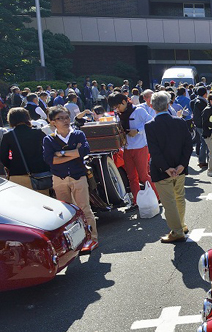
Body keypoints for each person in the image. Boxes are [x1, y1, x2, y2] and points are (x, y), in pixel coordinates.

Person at [42, 106, 98, 252]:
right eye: (60, 118)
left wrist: (60, 153)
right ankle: (73, 242)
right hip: (59, 178)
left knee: (84, 208)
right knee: (66, 213)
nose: (65, 121)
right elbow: (50, 160)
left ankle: (92, 238)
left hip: (78, 176)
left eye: (66, 117)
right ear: (52, 122)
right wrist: (73, 153)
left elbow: (84, 151)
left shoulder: (78, 134)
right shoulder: (49, 139)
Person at [144, 92, 193, 243]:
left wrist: (166, 168)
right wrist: (182, 164)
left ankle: (177, 231)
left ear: (152, 106)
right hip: (179, 167)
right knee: (179, 197)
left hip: (161, 169)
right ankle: (181, 225)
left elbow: (154, 151)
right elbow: (188, 145)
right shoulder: (180, 122)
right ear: (168, 105)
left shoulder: (150, 125)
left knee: (169, 201)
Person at [109, 93, 156, 206]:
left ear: (124, 102)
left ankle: (156, 197)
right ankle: (136, 201)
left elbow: (152, 123)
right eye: (114, 108)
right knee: (131, 177)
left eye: (117, 106)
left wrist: (138, 130)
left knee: (143, 176)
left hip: (140, 148)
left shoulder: (138, 111)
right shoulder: (119, 115)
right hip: (126, 148)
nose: (117, 110)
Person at [0, 108, 51, 195]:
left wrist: (11, 166)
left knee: (23, 200)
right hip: (41, 173)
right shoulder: (38, 132)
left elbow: (3, 156)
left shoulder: (8, 136)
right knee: (42, 200)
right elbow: (49, 150)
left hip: (18, 172)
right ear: (27, 117)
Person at [192, 86, 209, 168]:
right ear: (205, 93)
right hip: (202, 125)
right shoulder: (201, 102)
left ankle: (202, 161)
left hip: (198, 124)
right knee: (206, 143)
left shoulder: (196, 101)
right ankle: (206, 160)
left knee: (204, 143)